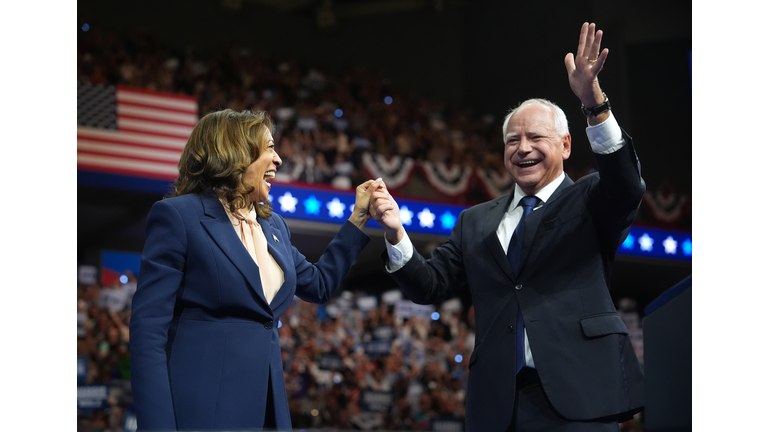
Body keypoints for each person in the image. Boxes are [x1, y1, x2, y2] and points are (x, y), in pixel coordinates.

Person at [369, 23, 645, 431]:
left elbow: (626, 184)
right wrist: (395, 233)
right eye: (512, 140)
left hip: (580, 396)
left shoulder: (590, 201)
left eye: (536, 137)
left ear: (566, 145)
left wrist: (593, 103)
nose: (523, 148)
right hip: (498, 405)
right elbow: (428, 286)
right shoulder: (474, 220)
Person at [129, 108, 378, 431]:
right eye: (269, 148)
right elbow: (148, 331)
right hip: (203, 410)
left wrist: (358, 218)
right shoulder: (179, 217)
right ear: (235, 151)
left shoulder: (272, 226)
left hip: (267, 411)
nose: (278, 160)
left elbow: (318, 284)